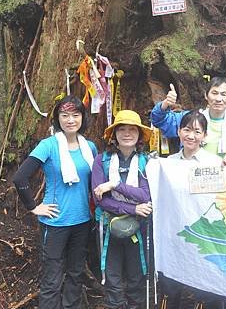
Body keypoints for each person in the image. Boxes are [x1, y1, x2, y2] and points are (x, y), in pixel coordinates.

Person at [13, 95, 97, 309]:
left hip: (83, 220)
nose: (70, 120)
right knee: (52, 276)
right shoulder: (48, 145)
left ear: (82, 118)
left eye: (76, 115)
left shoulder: (89, 147)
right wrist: (34, 207)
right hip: (56, 221)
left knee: (76, 273)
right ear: (57, 119)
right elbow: (20, 177)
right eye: (65, 115)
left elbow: (94, 182)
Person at [160, 110, 226, 309]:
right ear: (178, 132)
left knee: (205, 288)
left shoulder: (213, 163)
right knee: (170, 286)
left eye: (197, 131)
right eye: (186, 130)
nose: (191, 136)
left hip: (204, 234)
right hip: (174, 234)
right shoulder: (168, 163)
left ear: (205, 136)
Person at [92, 110, 153, 309]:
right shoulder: (102, 160)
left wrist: (115, 185)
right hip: (109, 225)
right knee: (112, 276)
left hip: (139, 228)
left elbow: (147, 196)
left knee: (137, 276)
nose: (127, 134)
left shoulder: (147, 162)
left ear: (140, 135)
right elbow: (100, 199)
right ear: (114, 135)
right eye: (122, 129)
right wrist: (134, 208)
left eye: (132, 130)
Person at [150, 76, 226, 165]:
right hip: (191, 175)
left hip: (225, 179)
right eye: (214, 93)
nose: (219, 99)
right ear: (206, 95)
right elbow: (159, 120)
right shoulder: (192, 119)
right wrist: (165, 104)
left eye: (223, 94)